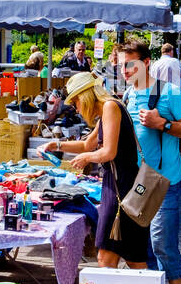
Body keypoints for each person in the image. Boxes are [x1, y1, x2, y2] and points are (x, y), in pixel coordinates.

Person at [118, 39, 181, 284]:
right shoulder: (129, 94)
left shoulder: (169, 93)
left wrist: (163, 124)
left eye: (131, 65)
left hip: (165, 182)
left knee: (163, 245)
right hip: (139, 183)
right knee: (144, 248)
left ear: (146, 63)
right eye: (121, 66)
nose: (126, 71)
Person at [41, 72, 148, 268]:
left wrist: (86, 159)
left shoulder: (110, 107)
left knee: (112, 258)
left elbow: (107, 152)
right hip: (121, 186)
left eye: (76, 103)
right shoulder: (109, 109)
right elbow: (87, 145)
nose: (77, 109)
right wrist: (55, 145)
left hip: (120, 188)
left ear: (85, 97)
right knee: (130, 257)